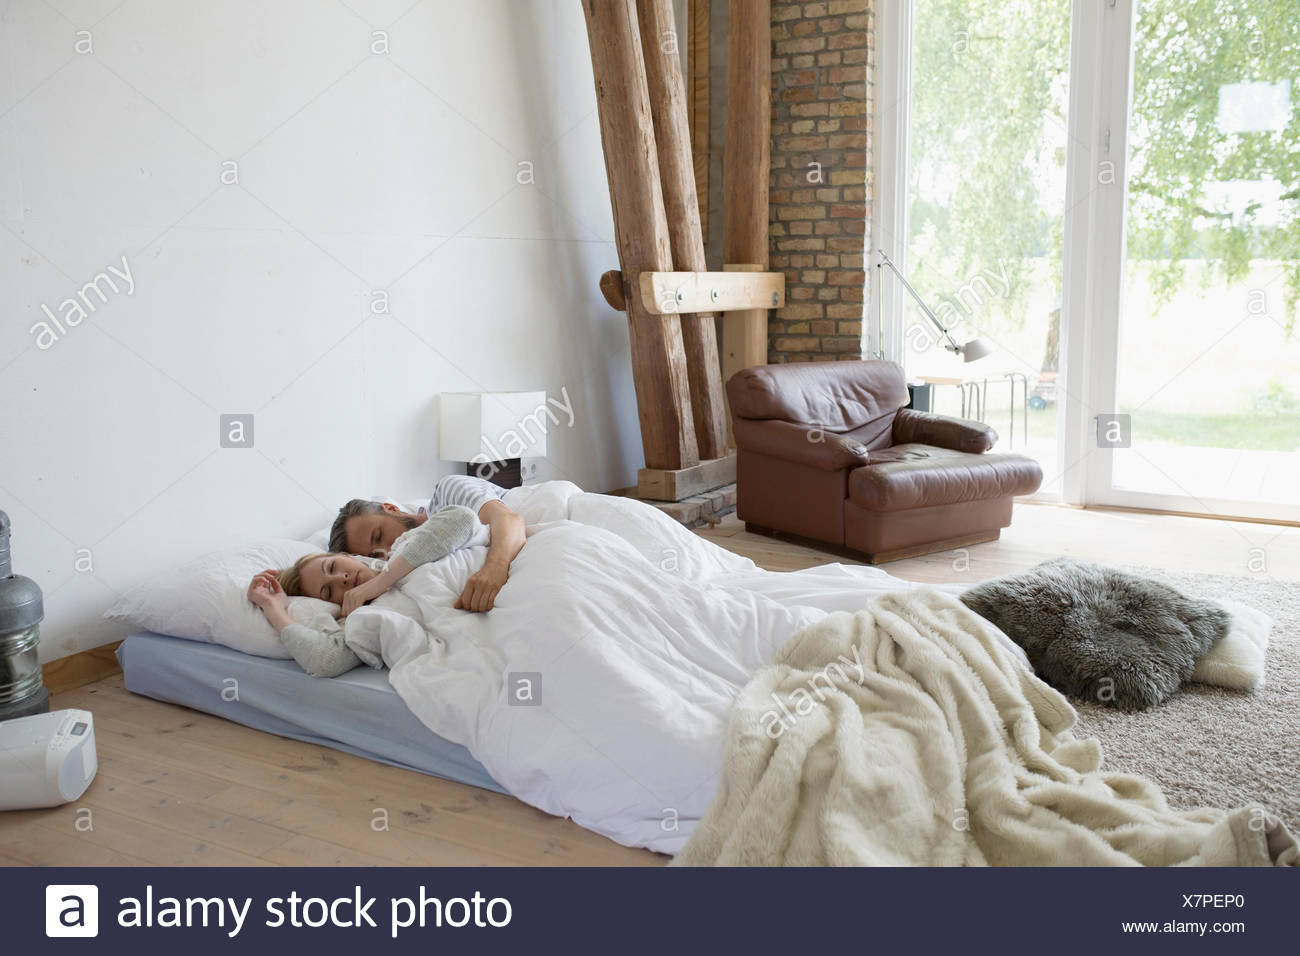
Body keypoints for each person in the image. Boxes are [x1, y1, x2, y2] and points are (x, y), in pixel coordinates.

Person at [247, 504, 482, 678]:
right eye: (328, 592)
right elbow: (324, 661)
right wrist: (273, 607)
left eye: (332, 567)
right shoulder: (364, 618)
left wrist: (379, 583)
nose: (342, 579)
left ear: (348, 556)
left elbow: (463, 519)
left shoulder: (404, 549)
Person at [329, 474, 525, 612]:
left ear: (391, 508)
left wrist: (495, 569)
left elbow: (509, 520)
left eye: (379, 535)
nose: (389, 550)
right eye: (375, 555)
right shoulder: (403, 576)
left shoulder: (448, 492)